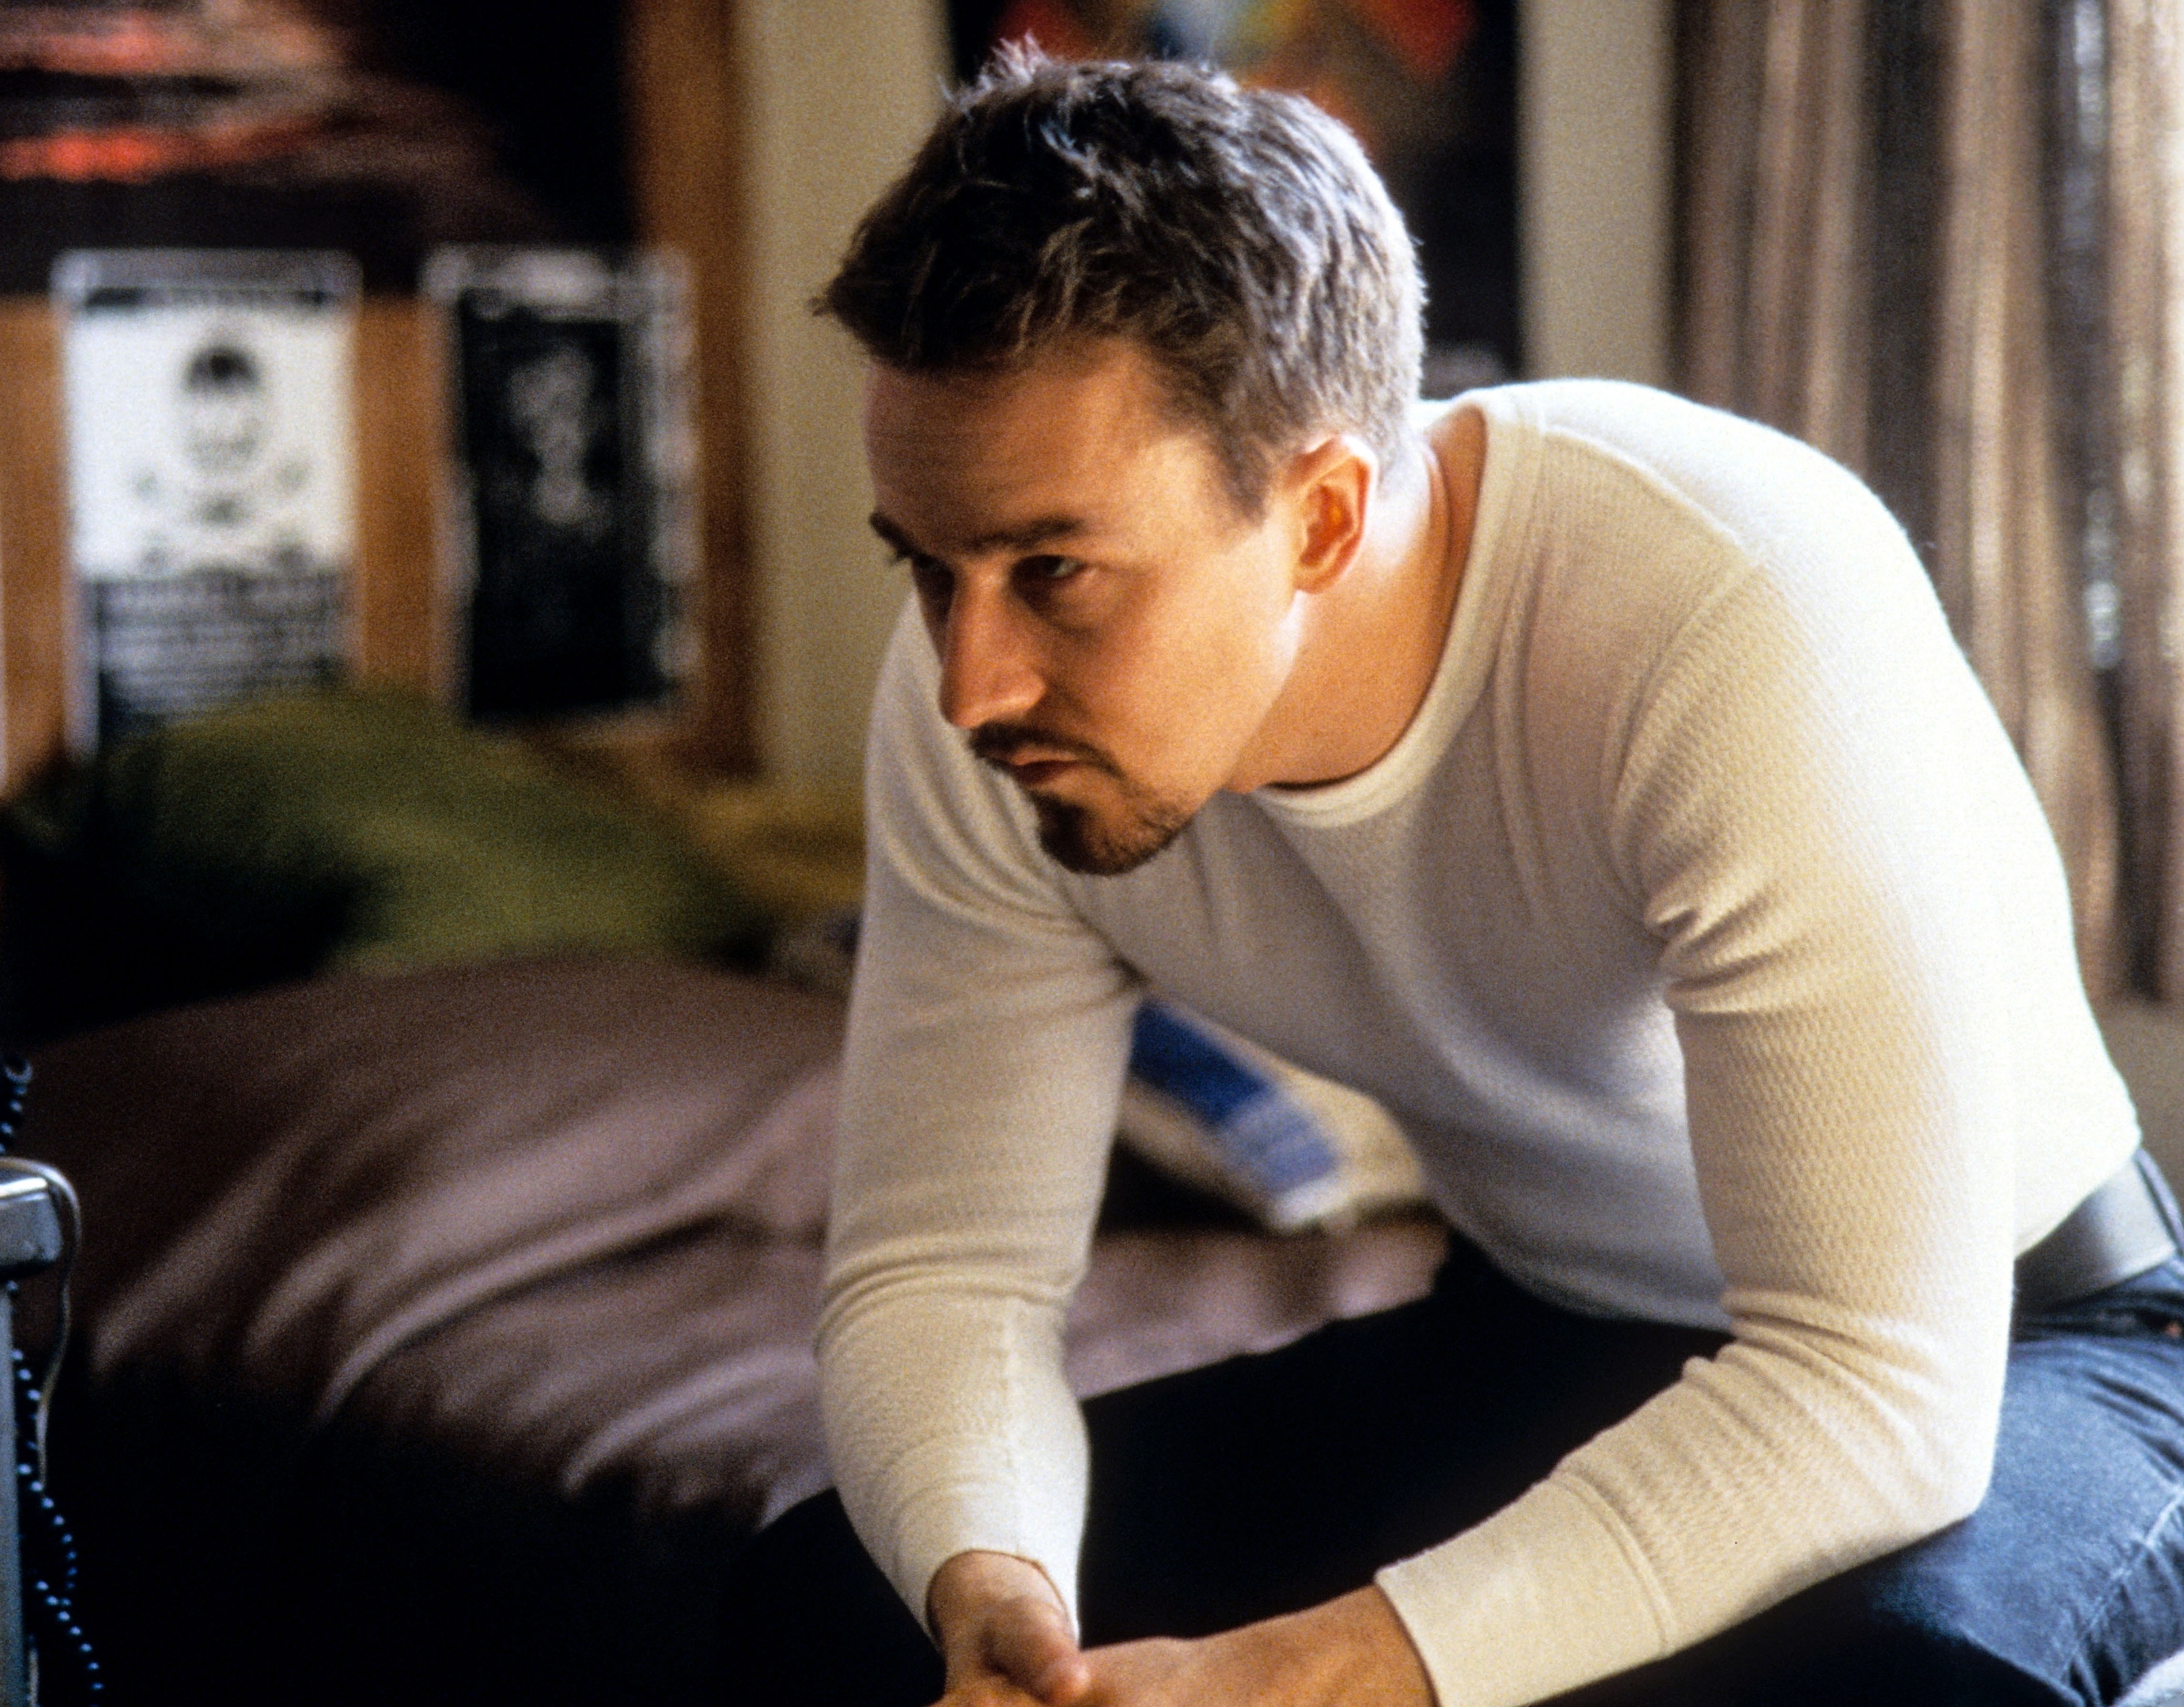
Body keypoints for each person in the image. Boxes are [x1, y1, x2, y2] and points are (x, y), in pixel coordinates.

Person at [723, 49, 2184, 1707]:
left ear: (1326, 515)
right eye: (928, 566)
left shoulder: (1728, 606)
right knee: (826, 1602)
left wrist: (1308, 1671)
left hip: (2036, 1342)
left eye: (1055, 570)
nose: (971, 677)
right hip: (1550, 1322)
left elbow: (1875, 1387)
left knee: (1904, 1690)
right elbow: (945, 1268)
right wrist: (1004, 1599)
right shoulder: (981, 711)